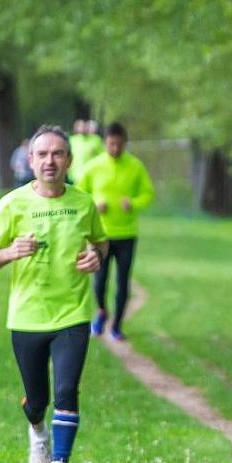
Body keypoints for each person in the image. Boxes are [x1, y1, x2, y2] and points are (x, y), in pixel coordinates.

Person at [0, 125, 106, 463]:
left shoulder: (83, 203)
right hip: (28, 315)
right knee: (38, 400)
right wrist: (12, 252)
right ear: (30, 160)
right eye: (43, 154)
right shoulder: (12, 204)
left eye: (58, 154)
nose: (50, 161)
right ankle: (37, 431)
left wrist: (95, 256)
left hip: (73, 312)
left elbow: (101, 243)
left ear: (68, 160)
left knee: (67, 390)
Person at [76, 122, 154, 340]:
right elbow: (79, 193)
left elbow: (148, 194)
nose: (115, 149)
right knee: (99, 281)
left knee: (122, 281)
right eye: (111, 144)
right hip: (101, 235)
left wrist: (134, 203)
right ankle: (101, 312)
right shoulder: (94, 166)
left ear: (125, 143)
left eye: (119, 145)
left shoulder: (135, 166)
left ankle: (117, 326)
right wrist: (94, 203)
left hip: (127, 234)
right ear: (105, 143)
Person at [68, 119, 104, 184]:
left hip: (91, 176)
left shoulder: (96, 140)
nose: (82, 128)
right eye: (80, 126)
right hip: (74, 177)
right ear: (75, 128)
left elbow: (103, 157)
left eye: (84, 126)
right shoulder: (71, 140)